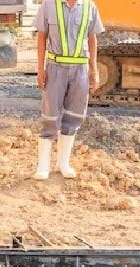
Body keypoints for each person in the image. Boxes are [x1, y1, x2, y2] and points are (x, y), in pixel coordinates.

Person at [33, 0, 105, 180]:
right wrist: (41, 69)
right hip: (55, 68)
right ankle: (43, 166)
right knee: (50, 116)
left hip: (80, 70)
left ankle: (63, 164)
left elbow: (92, 38)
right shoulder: (49, 5)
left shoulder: (89, 7)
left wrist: (94, 70)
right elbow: (41, 36)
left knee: (74, 117)